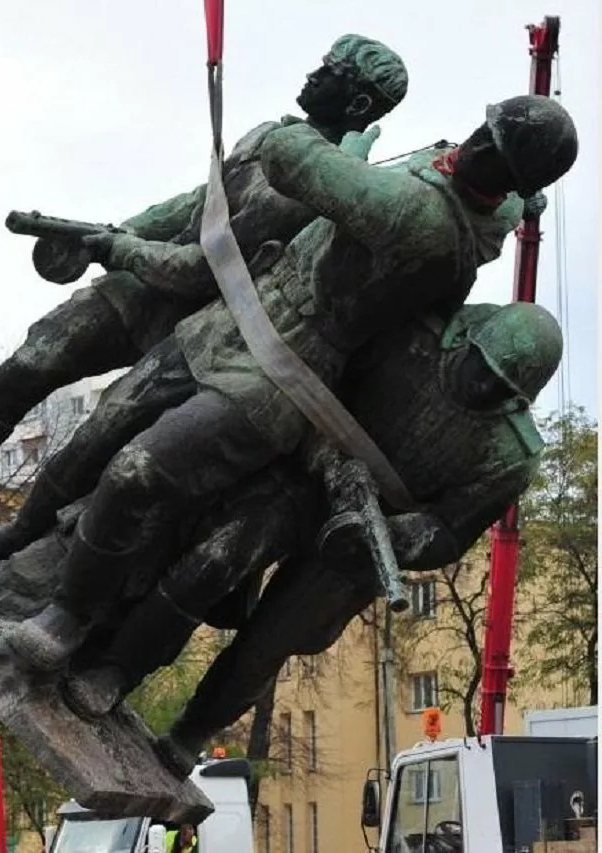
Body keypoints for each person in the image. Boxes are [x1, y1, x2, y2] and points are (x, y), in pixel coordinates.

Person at [3, 95, 578, 674]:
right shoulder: (487, 203)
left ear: (505, 183)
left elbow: (286, 156)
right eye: (483, 132)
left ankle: (67, 617)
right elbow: (506, 205)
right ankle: (14, 543)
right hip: (231, 318)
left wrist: (345, 150)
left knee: (137, 471)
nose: (474, 147)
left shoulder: (420, 215)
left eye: (495, 156)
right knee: (103, 427)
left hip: (283, 369)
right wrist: (522, 197)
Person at [0, 35, 409, 530]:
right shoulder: (269, 135)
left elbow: (201, 266)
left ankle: (19, 546)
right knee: (38, 357)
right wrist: (109, 234)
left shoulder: (312, 187)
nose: (312, 74)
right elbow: (196, 203)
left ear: (357, 102)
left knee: (104, 434)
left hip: (200, 328)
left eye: (329, 71)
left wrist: (117, 247)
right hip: (142, 285)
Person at [54, 299, 563, 734]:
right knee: (212, 560)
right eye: (480, 368)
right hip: (303, 479)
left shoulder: (513, 455)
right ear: (466, 339)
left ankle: (191, 733)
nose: (481, 388)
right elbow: (320, 379)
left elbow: (451, 531)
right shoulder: (413, 335)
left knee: (270, 643)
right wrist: (329, 459)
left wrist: (393, 535)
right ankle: (118, 669)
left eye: (499, 389)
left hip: (363, 544)